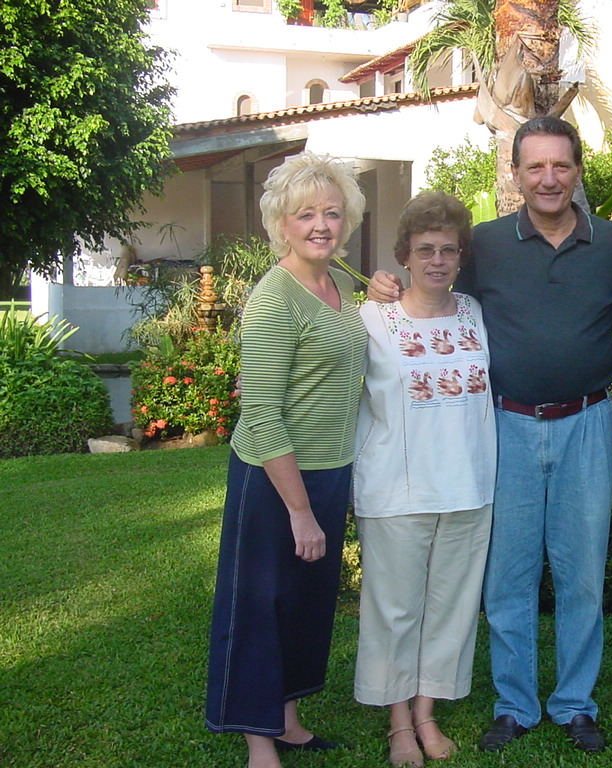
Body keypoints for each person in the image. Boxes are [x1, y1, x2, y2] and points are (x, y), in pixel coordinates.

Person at [369, 117, 612, 754]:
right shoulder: (484, 242)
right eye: (534, 166)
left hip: (588, 422)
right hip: (505, 423)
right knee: (508, 575)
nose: (548, 178)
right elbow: (433, 281)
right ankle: (514, 702)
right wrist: (387, 285)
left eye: (560, 166)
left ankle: (574, 703)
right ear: (515, 174)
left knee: (581, 573)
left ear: (577, 171)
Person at [205, 152, 367, 768]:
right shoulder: (274, 299)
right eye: (306, 215)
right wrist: (299, 512)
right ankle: (256, 739)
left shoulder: (338, 283)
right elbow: (262, 415)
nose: (320, 224)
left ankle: (290, 720)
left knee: (306, 600)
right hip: (276, 478)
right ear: (282, 224)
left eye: (331, 212)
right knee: (262, 602)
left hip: (329, 469)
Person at [352, 191, 496, 768]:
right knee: (395, 609)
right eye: (424, 250)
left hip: (469, 484)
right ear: (404, 257)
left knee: (451, 607)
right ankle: (397, 723)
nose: (437, 260)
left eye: (448, 250)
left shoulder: (475, 313)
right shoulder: (370, 319)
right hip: (396, 489)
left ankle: (427, 711)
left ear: (461, 256)